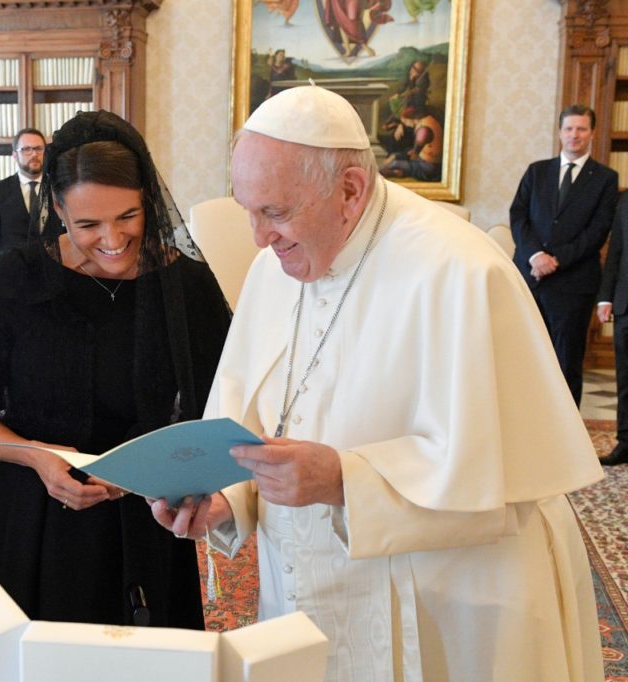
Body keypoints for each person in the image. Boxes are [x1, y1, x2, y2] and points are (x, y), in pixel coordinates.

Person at [152, 86, 605, 681]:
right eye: (248, 210)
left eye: (276, 212)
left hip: (443, 596)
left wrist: (344, 479)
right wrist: (223, 498)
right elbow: (254, 416)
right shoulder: (275, 269)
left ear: (349, 191)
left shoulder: (460, 272)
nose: (259, 238)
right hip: (300, 586)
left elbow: (491, 477)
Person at [0, 110, 231, 681]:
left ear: (149, 197)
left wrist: (168, 474)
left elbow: (220, 409)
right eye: (88, 224)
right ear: (56, 209)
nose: (114, 240)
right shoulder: (17, 279)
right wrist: (36, 456)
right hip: (28, 515)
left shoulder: (185, 285)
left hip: (143, 518)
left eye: (128, 216)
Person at [511, 104, 618, 406]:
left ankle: (566, 433)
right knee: (524, 356)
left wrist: (555, 259)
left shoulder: (605, 178)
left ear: (592, 133)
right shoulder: (537, 171)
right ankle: (526, 418)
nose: (574, 135)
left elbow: (598, 231)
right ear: (560, 133)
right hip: (530, 279)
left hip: (573, 284)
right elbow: (518, 216)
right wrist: (535, 256)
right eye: (569, 129)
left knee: (566, 361)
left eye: (581, 129)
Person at [0, 127, 47, 262]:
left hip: (53, 274)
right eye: (26, 149)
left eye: (39, 149)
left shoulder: (59, 188)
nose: (34, 154)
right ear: (15, 155)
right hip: (11, 274)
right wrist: (0, 265)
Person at [597, 191, 628, 465]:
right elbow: (615, 250)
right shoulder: (625, 200)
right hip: (626, 304)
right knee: (625, 379)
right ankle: (626, 442)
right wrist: (606, 297)